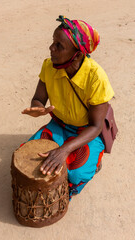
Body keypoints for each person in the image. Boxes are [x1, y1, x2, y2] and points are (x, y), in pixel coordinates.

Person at [22, 15, 114, 198]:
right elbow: (38, 99)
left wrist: (63, 150)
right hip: (59, 125)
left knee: (76, 173)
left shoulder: (96, 78)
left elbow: (96, 127)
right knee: (28, 156)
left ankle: (95, 161)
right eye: (53, 42)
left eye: (59, 46)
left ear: (78, 55)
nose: (51, 48)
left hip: (86, 132)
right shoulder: (49, 66)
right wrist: (37, 108)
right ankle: (68, 150)